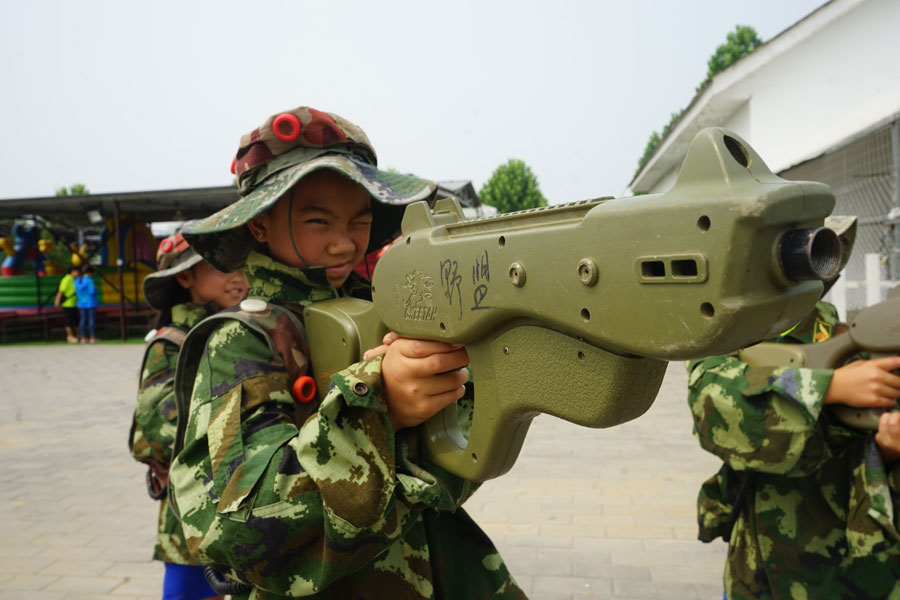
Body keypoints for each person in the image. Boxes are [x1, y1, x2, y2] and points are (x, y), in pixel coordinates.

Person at [168, 106, 525, 599]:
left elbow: (456, 470)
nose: (343, 243)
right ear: (259, 225)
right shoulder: (242, 341)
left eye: (360, 221)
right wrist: (377, 405)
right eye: (319, 221)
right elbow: (247, 535)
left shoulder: (391, 308)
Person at [687, 216, 900, 599]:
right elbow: (714, 408)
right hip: (757, 574)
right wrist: (832, 387)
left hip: (852, 577)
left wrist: (886, 450)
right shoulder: (728, 337)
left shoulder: (858, 342)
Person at [128, 231, 248, 600]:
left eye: (242, 265)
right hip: (193, 505)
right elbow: (156, 433)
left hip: (244, 499)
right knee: (189, 593)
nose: (237, 276)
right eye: (221, 266)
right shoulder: (171, 343)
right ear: (185, 276)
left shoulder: (246, 330)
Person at [54, 264, 80, 343]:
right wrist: (57, 301)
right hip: (68, 304)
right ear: (73, 271)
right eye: (77, 272)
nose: (78, 273)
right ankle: (70, 336)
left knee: (76, 320)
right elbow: (61, 291)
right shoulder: (67, 279)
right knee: (69, 320)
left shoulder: (74, 279)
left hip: (74, 304)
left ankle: (79, 336)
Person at [75, 265, 99, 343]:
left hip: (81, 303)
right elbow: (92, 292)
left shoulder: (77, 280)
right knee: (91, 320)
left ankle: (83, 338)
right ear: (90, 273)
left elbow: (76, 292)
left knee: (82, 320)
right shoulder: (90, 280)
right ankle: (92, 337)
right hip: (91, 303)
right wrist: (96, 288)